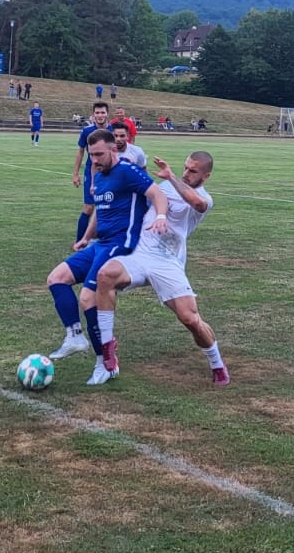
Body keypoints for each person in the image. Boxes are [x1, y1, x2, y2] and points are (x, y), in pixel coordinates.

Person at [45, 130, 171, 384]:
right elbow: (100, 212)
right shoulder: (99, 175)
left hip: (120, 243)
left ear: (113, 150)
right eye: (91, 155)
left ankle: (105, 363)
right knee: (56, 278)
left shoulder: (127, 171)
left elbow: (158, 195)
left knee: (88, 297)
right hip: (100, 243)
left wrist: (160, 216)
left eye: (99, 154)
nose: (94, 160)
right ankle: (75, 336)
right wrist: (86, 238)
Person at [93, 152, 229, 386]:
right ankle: (107, 347)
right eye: (185, 168)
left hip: (167, 262)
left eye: (192, 171)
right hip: (139, 254)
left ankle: (217, 364)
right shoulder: (162, 187)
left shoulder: (204, 198)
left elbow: (196, 203)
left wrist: (172, 176)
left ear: (206, 176)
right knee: (105, 275)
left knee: (190, 319)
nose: (186, 173)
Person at [71, 102, 111, 242]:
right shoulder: (87, 131)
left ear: (107, 114)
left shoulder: (112, 130)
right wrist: (75, 174)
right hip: (92, 172)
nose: (100, 115)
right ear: (93, 114)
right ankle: (79, 242)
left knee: (108, 205)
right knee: (89, 207)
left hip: (110, 172)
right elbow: (80, 152)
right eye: (97, 113)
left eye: (103, 112)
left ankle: (104, 239)